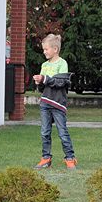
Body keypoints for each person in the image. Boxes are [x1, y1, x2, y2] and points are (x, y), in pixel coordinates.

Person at [33, 34, 76, 169]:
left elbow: (61, 82)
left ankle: (70, 158)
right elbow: (42, 88)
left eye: (46, 49)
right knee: (44, 132)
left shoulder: (62, 63)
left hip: (58, 104)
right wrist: (39, 82)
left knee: (62, 132)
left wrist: (45, 79)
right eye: (43, 49)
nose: (44, 52)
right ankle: (46, 158)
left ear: (55, 49)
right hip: (45, 103)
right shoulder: (44, 65)